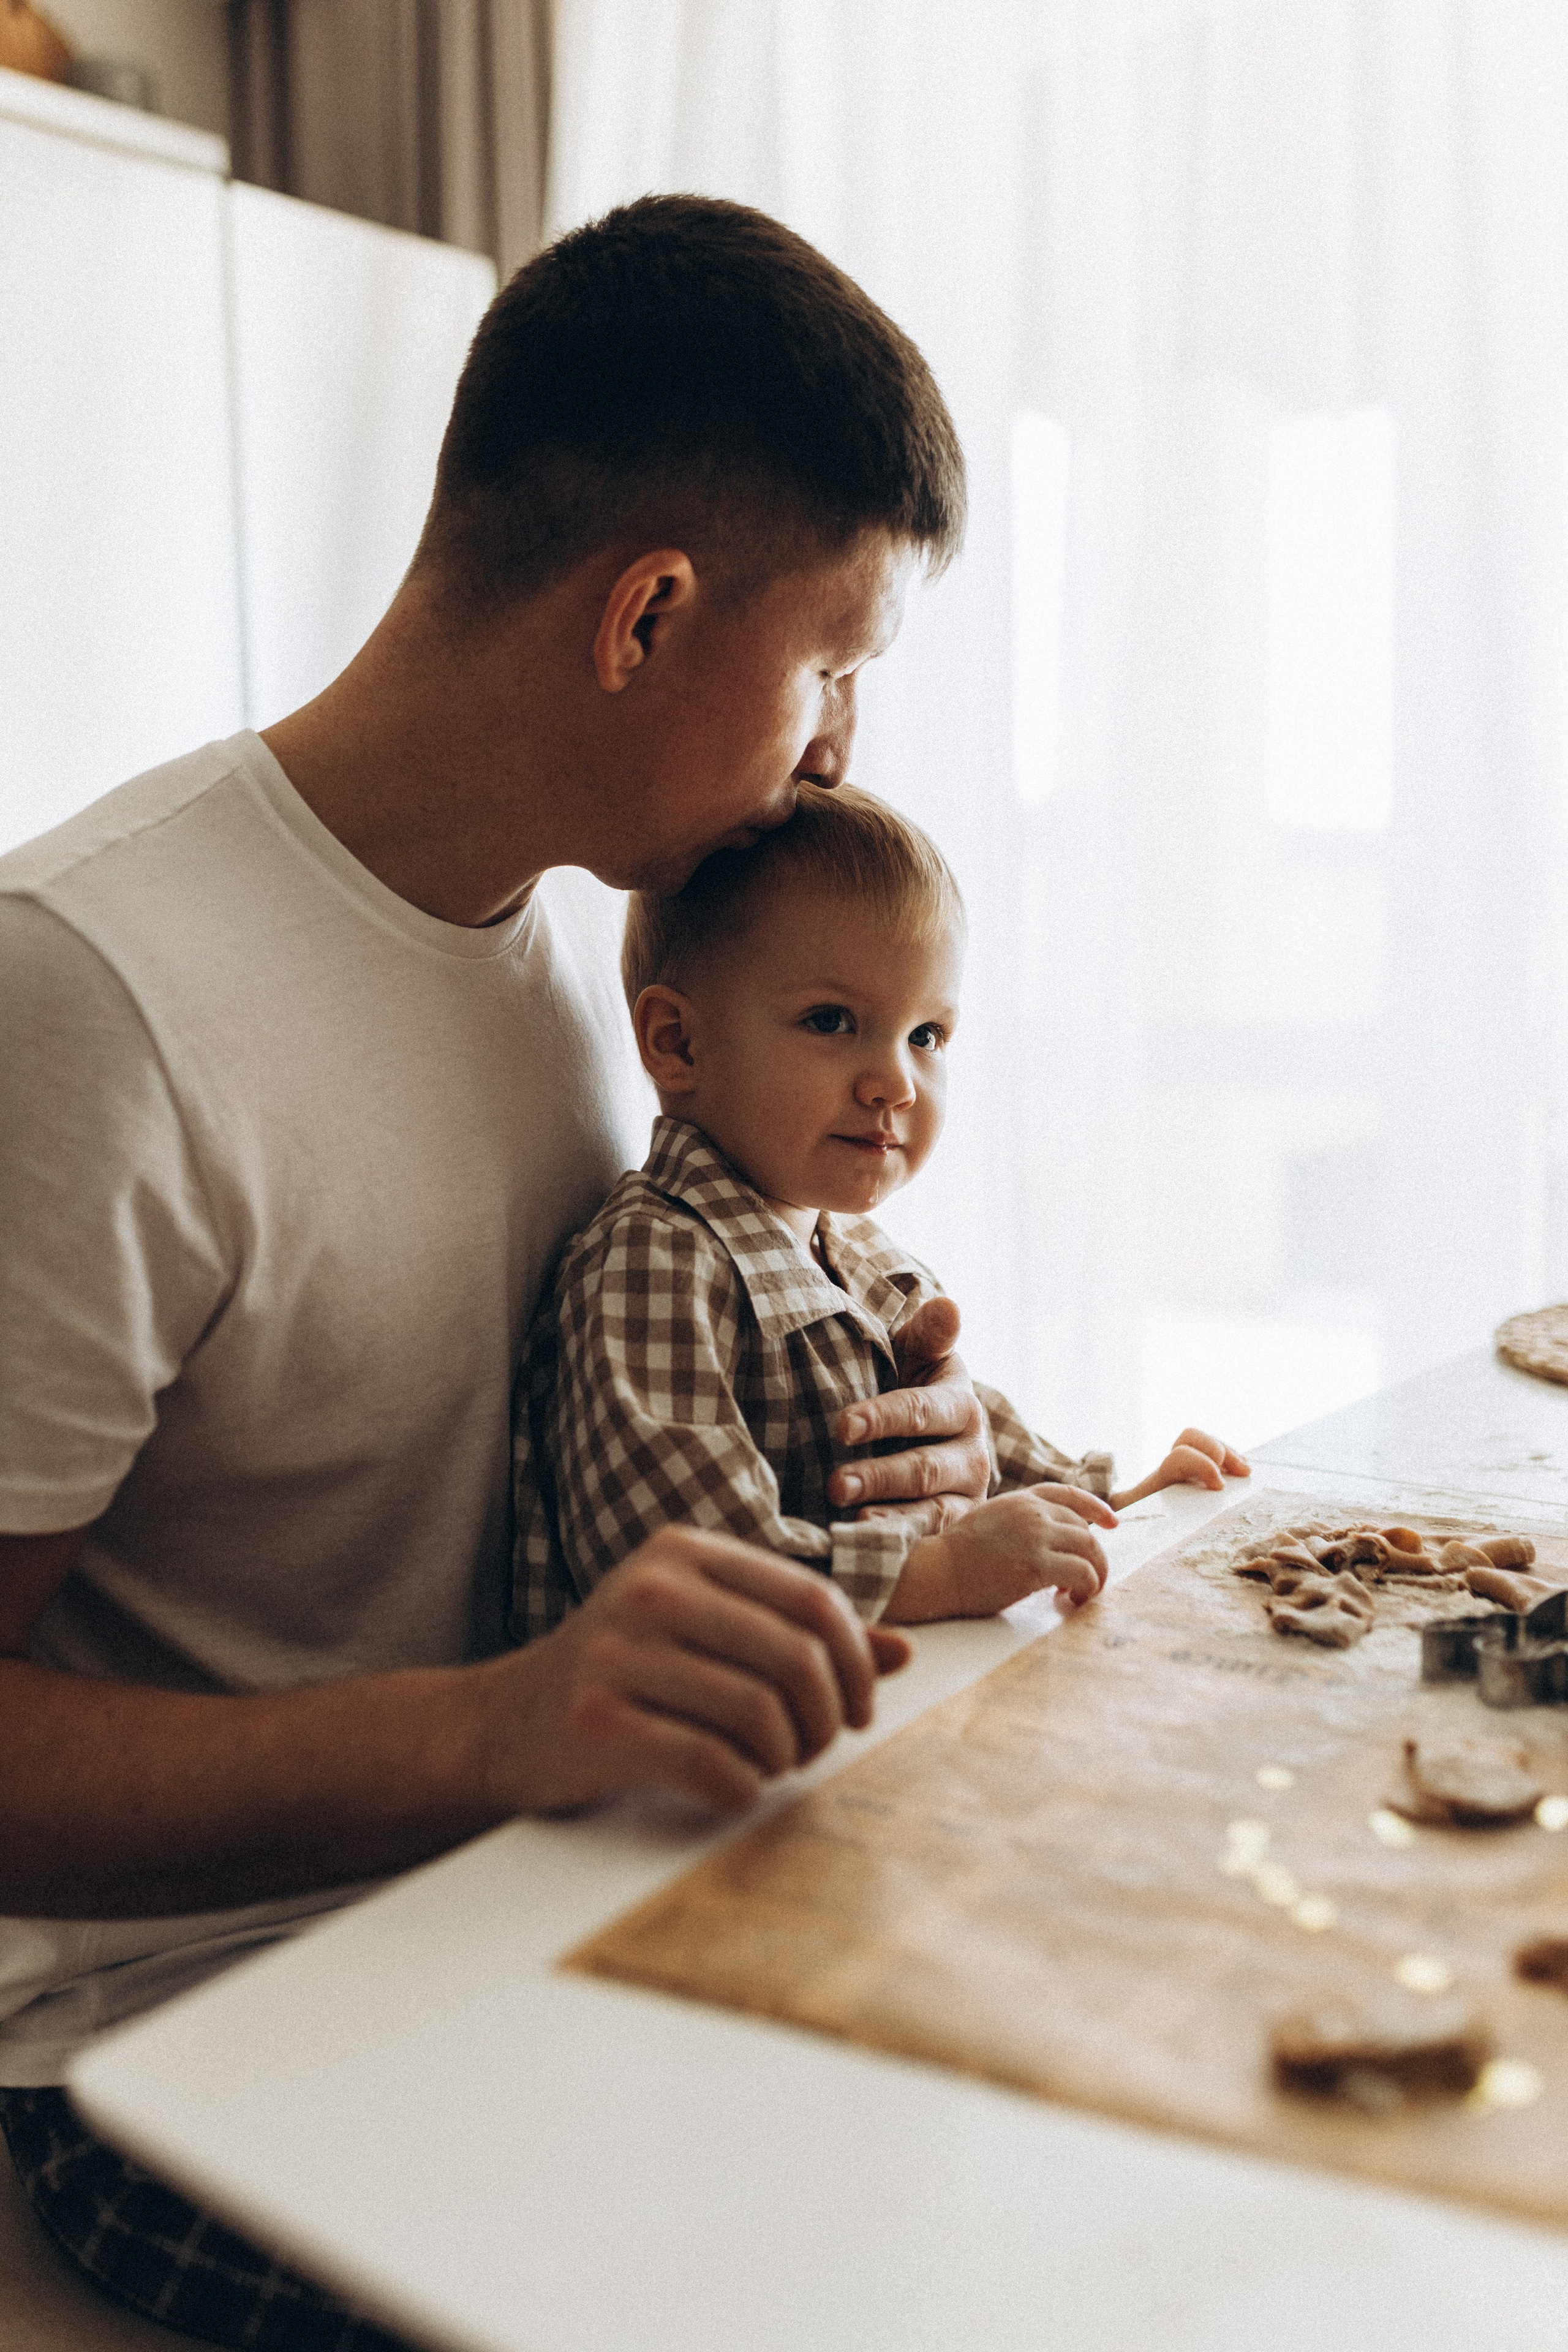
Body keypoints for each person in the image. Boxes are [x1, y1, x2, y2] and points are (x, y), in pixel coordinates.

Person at [0, 196, 995, 2348]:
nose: (841, 748)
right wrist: (498, 1731)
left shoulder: (576, 951)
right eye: (834, 664)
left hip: (543, 1912)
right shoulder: (91, 998)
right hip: (184, 2058)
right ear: (647, 616)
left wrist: (854, 1399)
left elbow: (588, 1415)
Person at [514, 784, 1248, 1659]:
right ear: (678, 1043)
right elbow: (676, 1568)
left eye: (927, 1035)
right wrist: (934, 1576)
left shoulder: (862, 1258)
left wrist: (1111, 1503)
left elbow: (974, 1440)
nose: (896, 1083)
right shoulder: (655, 1261)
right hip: (668, 1774)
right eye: (833, 1021)